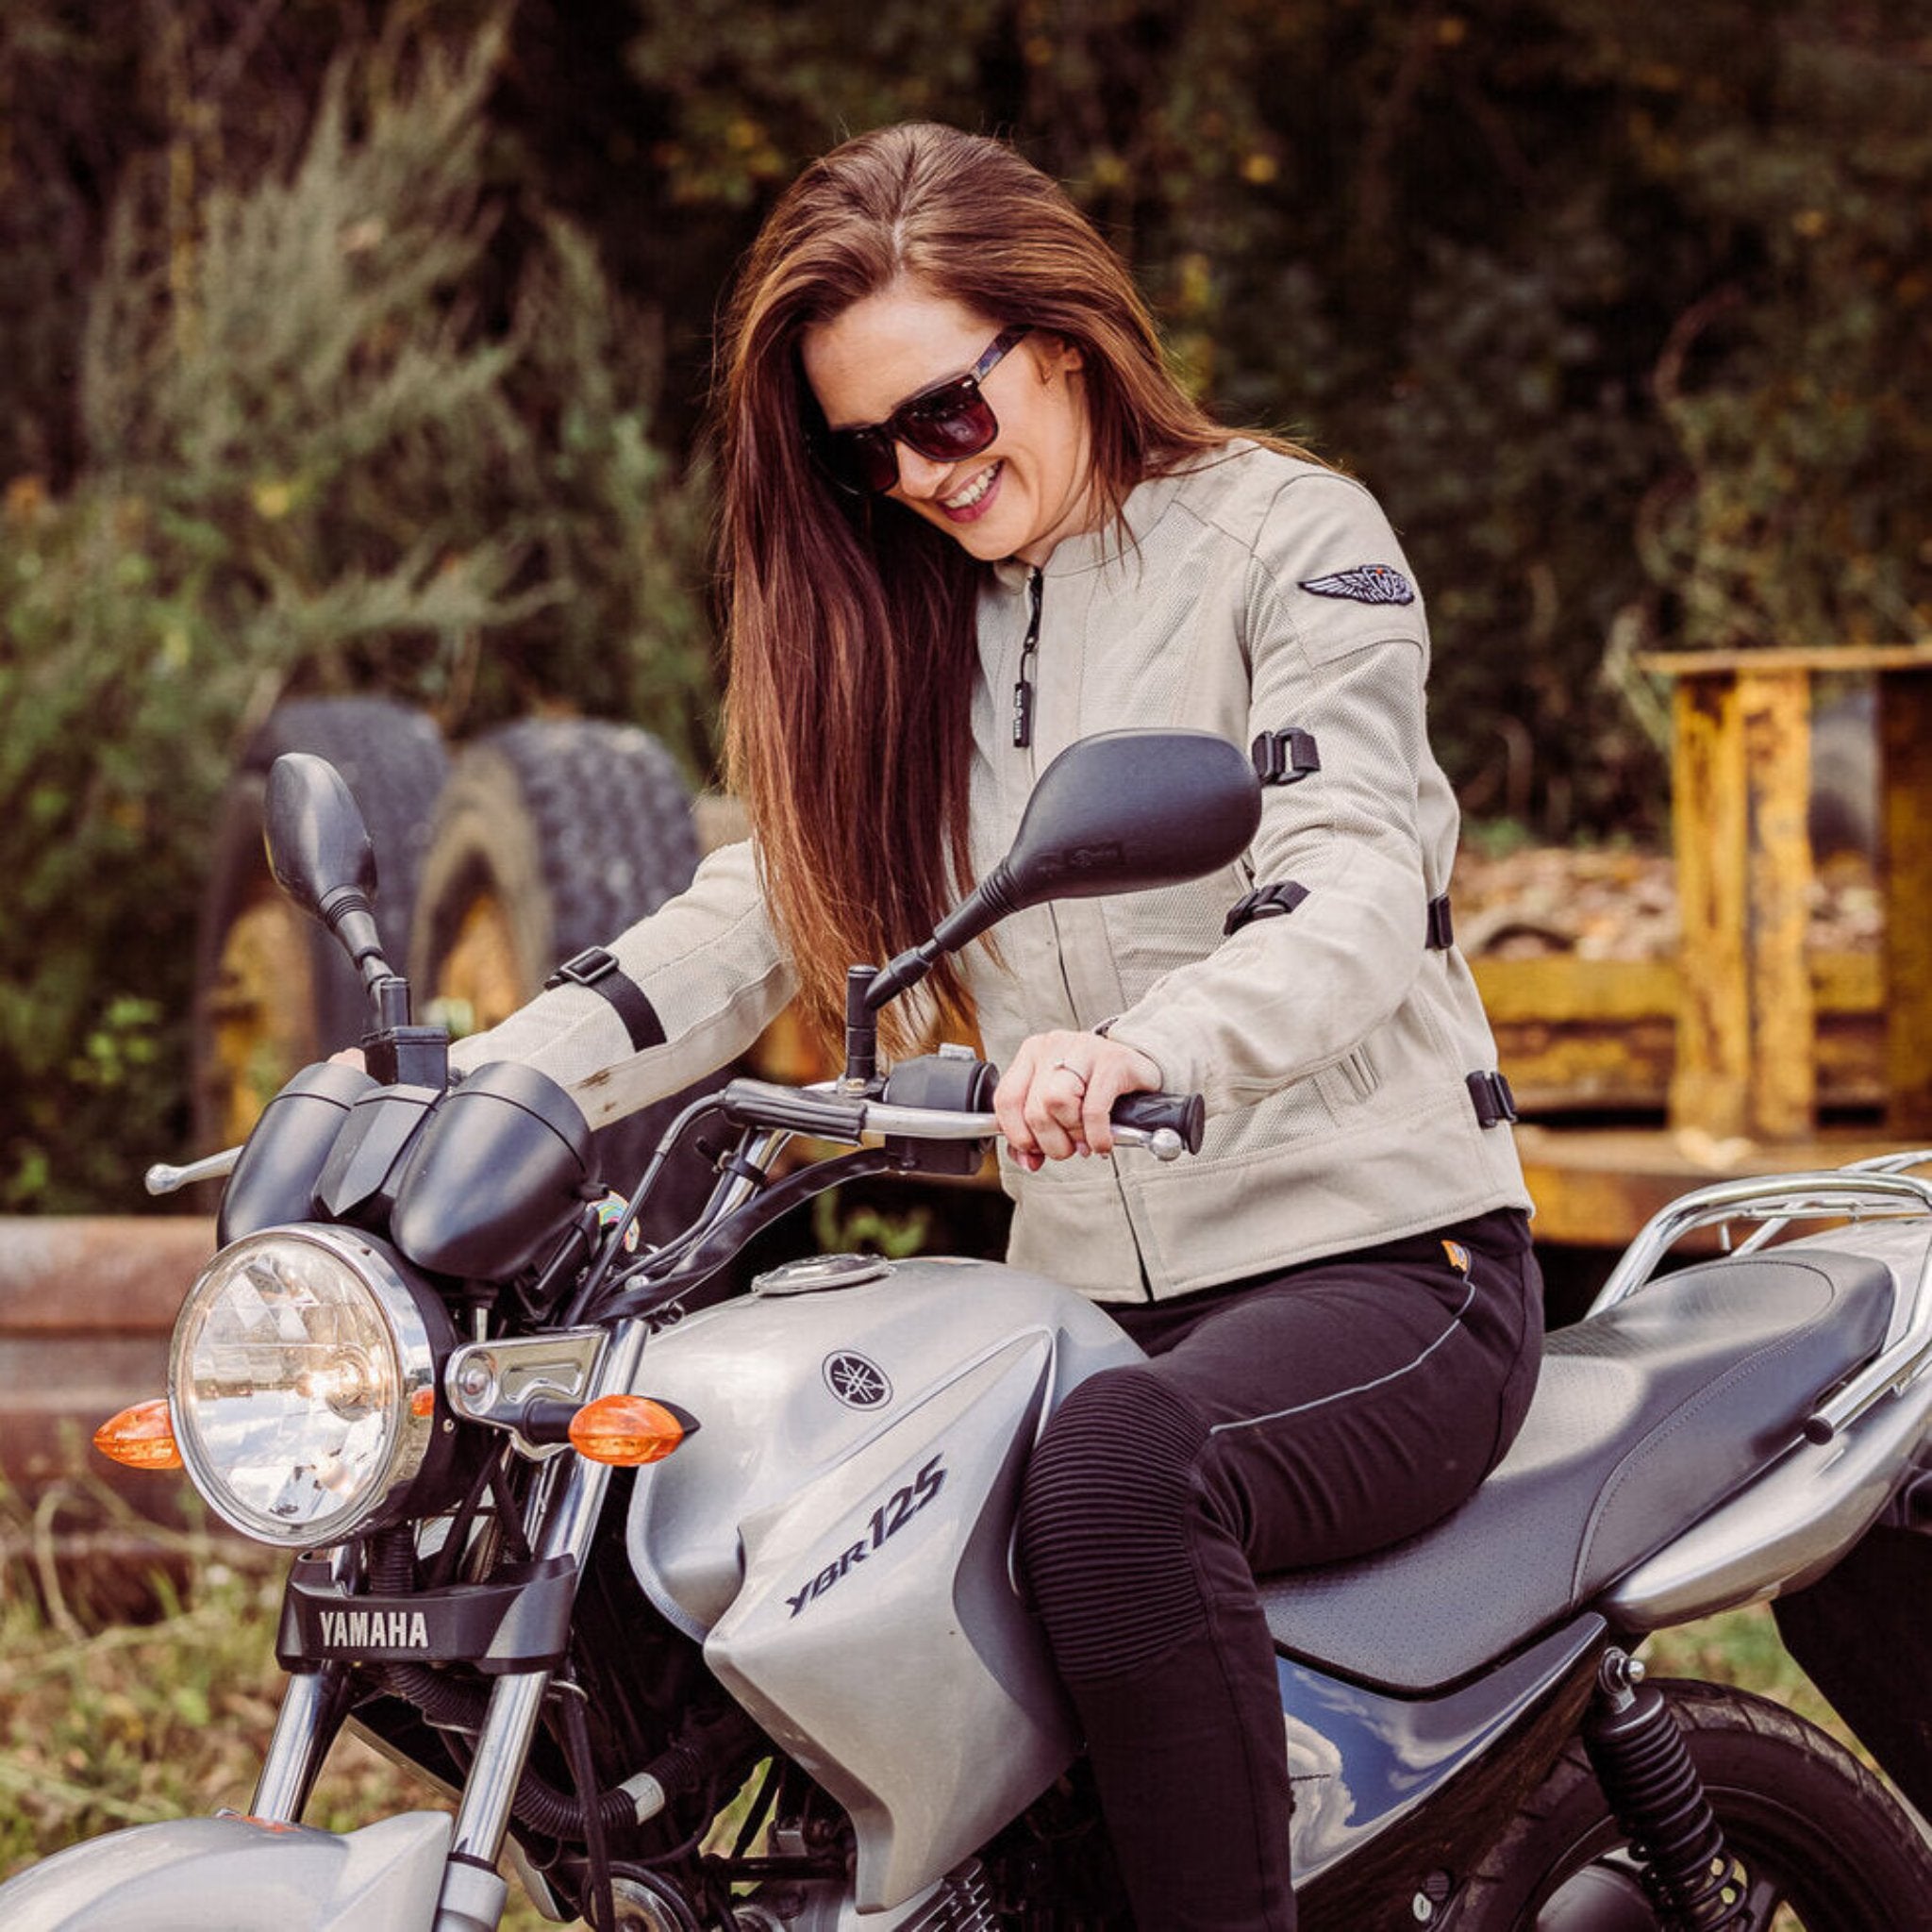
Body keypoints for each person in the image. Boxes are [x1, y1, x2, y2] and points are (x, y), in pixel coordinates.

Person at [455, 122, 1542, 1930]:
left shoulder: (1289, 535)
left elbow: (1351, 873)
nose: (918, 478)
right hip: (1076, 1308)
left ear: (1061, 338)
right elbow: (762, 913)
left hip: (1382, 1260)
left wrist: (1154, 1049)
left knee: (1117, 1485)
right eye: (863, 449)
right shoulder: (902, 623)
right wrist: (498, 1076)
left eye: (943, 416)